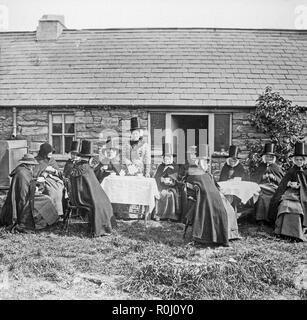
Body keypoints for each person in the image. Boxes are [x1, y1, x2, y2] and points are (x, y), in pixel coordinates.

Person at [184, 144, 232, 247]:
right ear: (199, 161)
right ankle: (214, 237)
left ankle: (223, 235)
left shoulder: (205, 174)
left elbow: (213, 188)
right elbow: (204, 191)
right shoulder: (196, 174)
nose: (207, 164)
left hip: (209, 199)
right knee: (221, 211)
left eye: (207, 161)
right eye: (205, 161)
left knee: (227, 207)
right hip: (202, 202)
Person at [0, 154, 58, 232]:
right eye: (32, 165)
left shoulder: (24, 170)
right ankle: (42, 222)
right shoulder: (22, 172)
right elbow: (23, 191)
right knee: (47, 200)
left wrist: (35, 182)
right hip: (25, 197)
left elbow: (28, 183)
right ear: (28, 164)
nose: (33, 167)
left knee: (47, 198)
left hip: (29, 193)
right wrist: (35, 188)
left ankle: (45, 222)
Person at [69, 139, 115, 237]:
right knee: (103, 203)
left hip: (77, 195)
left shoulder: (79, 165)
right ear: (89, 157)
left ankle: (104, 226)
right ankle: (102, 229)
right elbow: (93, 187)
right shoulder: (86, 168)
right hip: (83, 197)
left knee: (103, 200)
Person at [269, 142, 307, 242]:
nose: (299, 161)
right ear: (294, 160)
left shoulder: (306, 171)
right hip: (290, 193)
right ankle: (283, 232)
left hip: (302, 195)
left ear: (304, 160)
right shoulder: (291, 170)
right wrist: (289, 184)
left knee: (298, 209)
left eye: (301, 159)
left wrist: (300, 186)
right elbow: (283, 184)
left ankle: (296, 233)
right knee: (285, 205)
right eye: (297, 159)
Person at [251, 143, 284, 225]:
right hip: (262, 187)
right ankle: (260, 219)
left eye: (271, 157)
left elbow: (282, 181)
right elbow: (255, 179)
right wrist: (262, 177)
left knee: (272, 198)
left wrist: (274, 178)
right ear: (264, 157)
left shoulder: (276, 167)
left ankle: (271, 219)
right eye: (267, 156)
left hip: (273, 188)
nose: (269, 158)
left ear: (273, 158)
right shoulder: (261, 166)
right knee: (261, 197)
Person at [33, 142, 64, 217]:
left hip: (52, 179)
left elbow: (58, 171)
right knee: (51, 192)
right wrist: (44, 172)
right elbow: (35, 173)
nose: (50, 155)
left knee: (58, 190)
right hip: (41, 180)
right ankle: (51, 215)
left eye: (51, 153)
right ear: (44, 153)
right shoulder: (37, 160)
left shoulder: (51, 160)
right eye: (49, 153)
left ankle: (58, 213)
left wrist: (53, 171)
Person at [154, 143, 181, 221]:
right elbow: (156, 177)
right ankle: (159, 214)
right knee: (161, 194)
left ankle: (171, 215)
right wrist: (162, 179)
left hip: (172, 187)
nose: (167, 160)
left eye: (169, 158)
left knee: (171, 195)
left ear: (172, 158)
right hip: (161, 186)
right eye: (165, 158)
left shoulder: (176, 167)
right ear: (163, 158)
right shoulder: (161, 166)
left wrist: (171, 181)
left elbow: (178, 179)